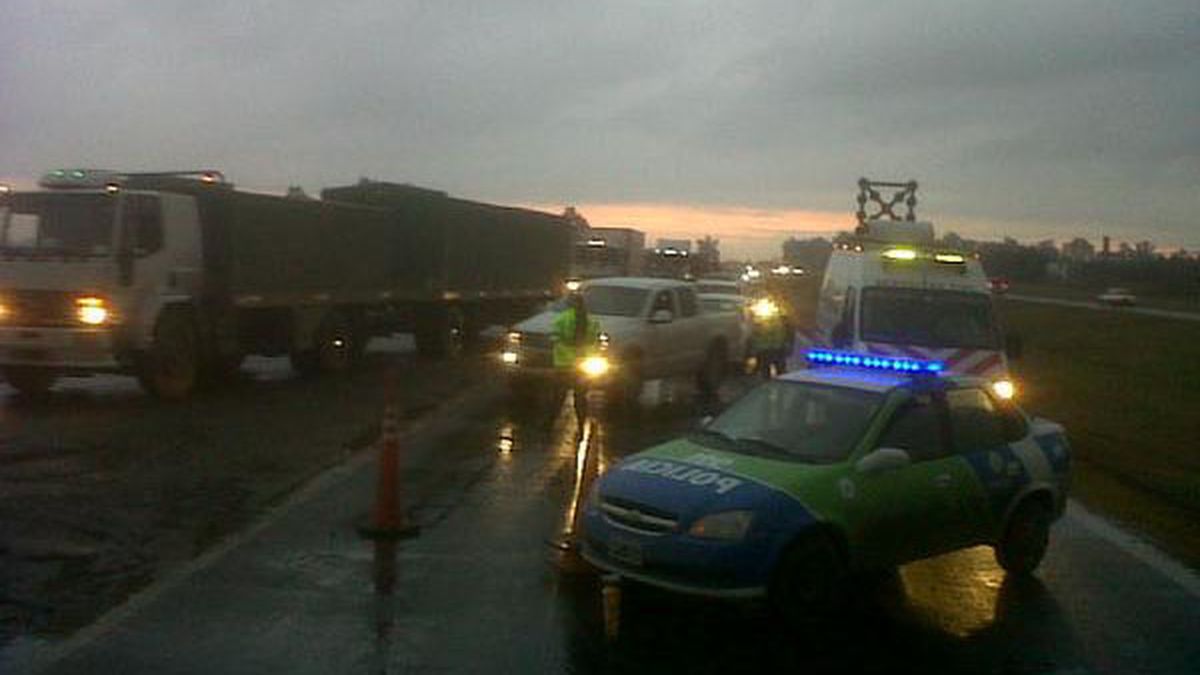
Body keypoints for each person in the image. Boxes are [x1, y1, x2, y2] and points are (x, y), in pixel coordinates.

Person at [552, 291, 602, 418]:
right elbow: (595, 341)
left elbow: (554, 337)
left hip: (564, 364)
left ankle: (548, 425)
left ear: (570, 304)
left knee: (559, 396)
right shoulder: (592, 321)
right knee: (580, 397)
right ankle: (581, 427)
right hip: (583, 365)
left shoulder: (562, 318)